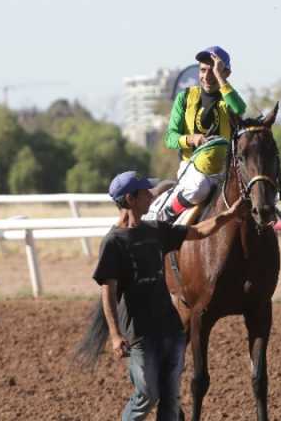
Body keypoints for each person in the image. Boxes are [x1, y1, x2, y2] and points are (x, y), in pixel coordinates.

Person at [95, 170, 247, 421]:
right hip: (139, 335)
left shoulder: (156, 230)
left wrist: (228, 215)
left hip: (170, 329)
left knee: (169, 398)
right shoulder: (113, 243)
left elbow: (197, 232)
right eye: (145, 193)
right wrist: (114, 334)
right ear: (130, 199)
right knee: (148, 394)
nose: (151, 197)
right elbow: (108, 293)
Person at [145, 46, 247, 222]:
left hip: (225, 169)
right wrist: (192, 139)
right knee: (199, 188)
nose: (207, 76)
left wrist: (221, 78)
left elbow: (240, 109)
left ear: (226, 73)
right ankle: (166, 215)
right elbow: (170, 138)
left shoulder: (229, 98)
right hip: (193, 170)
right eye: (203, 70)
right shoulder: (184, 97)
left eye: (213, 71)